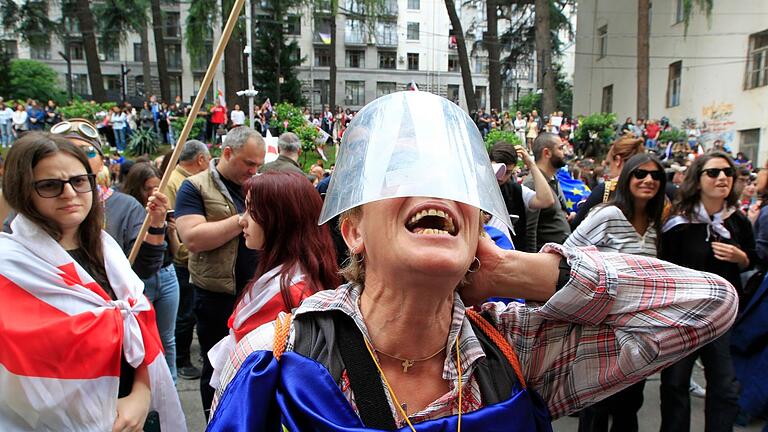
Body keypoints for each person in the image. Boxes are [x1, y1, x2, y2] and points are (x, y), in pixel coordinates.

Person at [207, 91, 737, 431]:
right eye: (402, 175)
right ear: (353, 231)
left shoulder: (516, 349)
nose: (434, 189)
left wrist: (520, 272)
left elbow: (709, 304)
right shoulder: (273, 356)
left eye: (455, 183)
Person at [0, 132, 185, 431]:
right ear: (23, 190)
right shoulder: (8, 266)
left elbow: (137, 327)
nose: (70, 194)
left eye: (79, 181)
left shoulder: (107, 249)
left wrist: (141, 393)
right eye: (50, 185)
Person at [208, 170, 340, 389]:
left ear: (280, 219)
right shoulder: (287, 277)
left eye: (252, 211)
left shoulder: (294, 295)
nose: (242, 220)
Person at [566, 153, 667, 432]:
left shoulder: (656, 224)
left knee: (629, 403)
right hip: (602, 325)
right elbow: (569, 252)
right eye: (641, 174)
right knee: (597, 404)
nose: (648, 180)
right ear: (627, 177)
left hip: (641, 327)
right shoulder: (608, 214)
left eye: (656, 176)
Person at [660, 151, 756, 432]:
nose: (722, 177)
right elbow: (665, 266)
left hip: (722, 317)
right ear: (698, 179)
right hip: (683, 316)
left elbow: (755, 259)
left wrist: (742, 258)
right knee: (675, 383)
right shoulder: (678, 221)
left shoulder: (738, 221)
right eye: (713, 172)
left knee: (724, 386)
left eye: (727, 172)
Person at [174, 126, 265, 418]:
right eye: (248, 163)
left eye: (258, 165)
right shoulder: (194, 186)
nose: (253, 171)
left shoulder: (255, 184)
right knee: (215, 367)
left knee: (249, 364)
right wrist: (242, 220)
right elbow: (193, 238)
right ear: (227, 153)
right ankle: (213, 419)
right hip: (215, 295)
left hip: (255, 293)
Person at [122, 162, 181, 382]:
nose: (154, 193)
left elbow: (177, 253)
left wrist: (170, 231)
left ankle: (171, 384)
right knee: (142, 336)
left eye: (158, 187)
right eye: (148, 188)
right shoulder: (131, 213)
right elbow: (140, 262)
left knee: (167, 337)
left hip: (167, 275)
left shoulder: (162, 211)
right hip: (139, 281)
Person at [163, 139, 210, 380]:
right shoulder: (180, 183)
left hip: (187, 256)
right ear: (201, 160)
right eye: (208, 159)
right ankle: (182, 360)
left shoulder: (179, 179)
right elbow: (174, 223)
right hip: (182, 258)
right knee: (184, 313)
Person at [489, 142, 554, 251]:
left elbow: (546, 200)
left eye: (507, 173)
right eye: (498, 170)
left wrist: (531, 164)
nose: (501, 178)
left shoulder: (516, 191)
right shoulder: (475, 188)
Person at [572, 135, 646, 228]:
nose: (608, 170)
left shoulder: (607, 189)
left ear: (618, 160)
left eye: (608, 163)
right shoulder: (654, 189)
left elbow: (577, 224)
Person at [524, 133, 572, 252]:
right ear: (547, 153)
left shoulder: (553, 180)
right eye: (560, 148)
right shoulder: (533, 183)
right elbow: (530, 229)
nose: (565, 152)